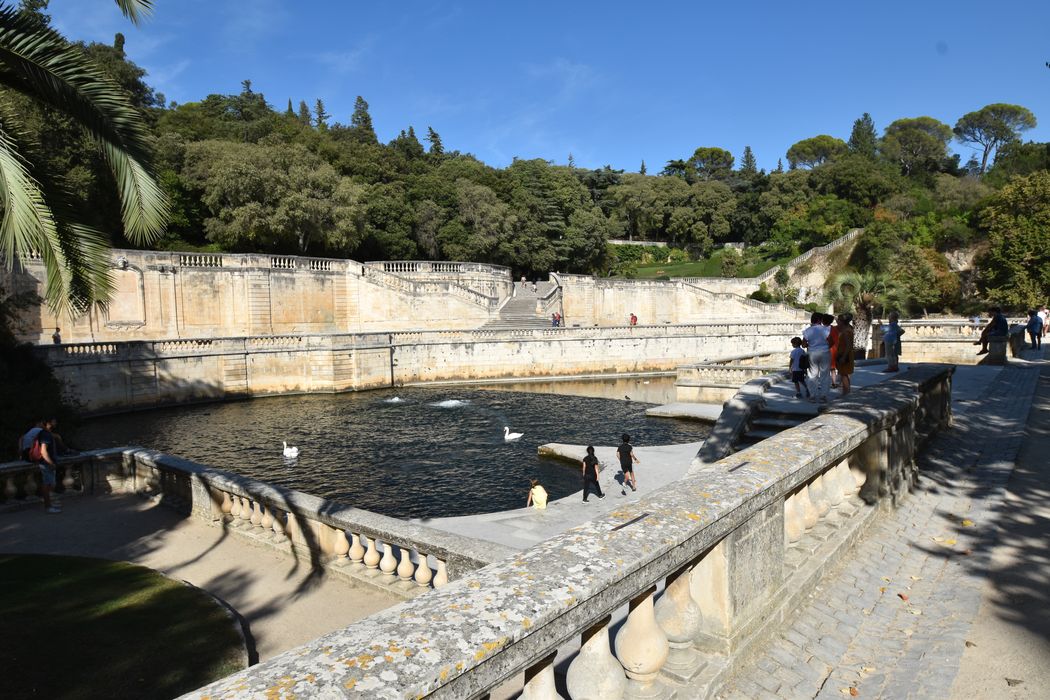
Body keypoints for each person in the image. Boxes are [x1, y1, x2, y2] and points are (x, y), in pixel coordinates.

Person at [802, 312, 832, 402]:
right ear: (819, 320)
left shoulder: (807, 330)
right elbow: (831, 341)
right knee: (825, 375)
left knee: (812, 374)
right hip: (825, 352)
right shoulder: (826, 329)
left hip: (812, 353)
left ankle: (812, 396)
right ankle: (823, 396)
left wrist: (810, 344)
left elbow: (803, 345)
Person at [35, 418, 61, 513]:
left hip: (46, 462)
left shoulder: (46, 433)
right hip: (46, 463)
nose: (56, 423)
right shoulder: (45, 434)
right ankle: (48, 507)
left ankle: (50, 504)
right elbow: (43, 451)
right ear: (48, 423)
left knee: (50, 484)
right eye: (54, 421)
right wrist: (51, 463)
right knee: (48, 484)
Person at [836, 314, 856, 395]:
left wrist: (844, 357)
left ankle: (846, 393)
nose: (837, 321)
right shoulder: (848, 329)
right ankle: (846, 391)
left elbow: (848, 345)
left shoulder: (846, 331)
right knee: (844, 374)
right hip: (844, 353)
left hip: (845, 354)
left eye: (838, 320)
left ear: (842, 322)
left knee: (844, 374)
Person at [826, 314, 840, 388]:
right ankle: (834, 383)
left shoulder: (821, 329)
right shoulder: (834, 329)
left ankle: (825, 384)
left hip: (826, 350)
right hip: (834, 350)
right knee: (832, 368)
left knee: (825, 369)